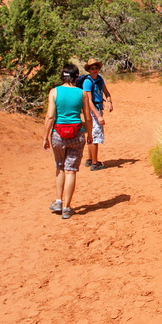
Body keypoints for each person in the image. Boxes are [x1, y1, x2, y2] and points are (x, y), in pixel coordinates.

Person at [43, 63, 92, 220]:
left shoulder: (54, 92)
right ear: (76, 77)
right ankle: (67, 207)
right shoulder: (82, 93)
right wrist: (89, 134)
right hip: (77, 135)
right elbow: (88, 117)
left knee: (60, 166)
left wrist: (45, 137)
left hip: (58, 134)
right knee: (71, 170)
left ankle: (58, 200)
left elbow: (50, 116)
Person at [81, 58, 113, 169]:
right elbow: (88, 100)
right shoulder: (87, 82)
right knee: (95, 135)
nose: (95, 70)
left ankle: (90, 159)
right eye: (92, 68)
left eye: (96, 68)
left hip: (99, 107)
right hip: (92, 110)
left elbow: (106, 92)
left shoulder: (99, 79)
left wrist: (109, 102)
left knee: (92, 134)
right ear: (88, 69)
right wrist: (98, 116)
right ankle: (95, 163)